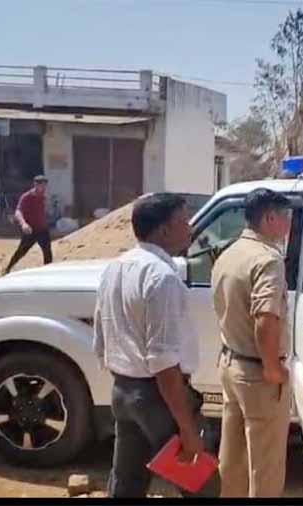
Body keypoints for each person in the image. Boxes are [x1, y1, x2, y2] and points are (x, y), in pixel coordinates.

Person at [93, 193, 216, 497]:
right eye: (183, 221)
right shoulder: (162, 278)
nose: (190, 228)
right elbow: (163, 362)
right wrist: (187, 428)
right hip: (157, 397)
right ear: (163, 231)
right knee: (200, 485)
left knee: (126, 485)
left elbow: (101, 338)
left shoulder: (115, 268)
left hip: (124, 390)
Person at [211, 188, 293, 497]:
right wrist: (273, 368)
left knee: (232, 458)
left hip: (231, 363)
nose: (288, 225)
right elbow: (265, 320)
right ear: (270, 218)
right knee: (265, 465)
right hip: (258, 372)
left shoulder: (230, 253)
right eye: (285, 218)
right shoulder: (267, 259)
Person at [3, 175, 52, 274]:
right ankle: (8, 269)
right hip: (30, 230)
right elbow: (18, 212)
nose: (44, 188)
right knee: (21, 251)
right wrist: (23, 224)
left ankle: (48, 272)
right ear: (36, 185)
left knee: (47, 252)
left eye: (45, 185)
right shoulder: (26, 197)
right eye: (42, 185)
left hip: (42, 229)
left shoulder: (43, 196)